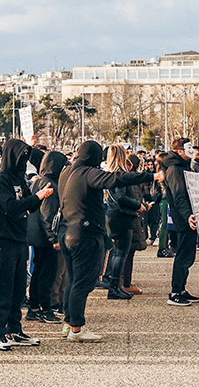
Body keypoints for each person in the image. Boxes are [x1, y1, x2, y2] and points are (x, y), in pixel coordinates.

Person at [59, 140, 150, 342]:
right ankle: (77, 328)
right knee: (83, 282)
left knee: (73, 280)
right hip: (85, 234)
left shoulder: (67, 172)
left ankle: (68, 322)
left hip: (67, 231)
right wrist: (150, 175)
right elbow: (116, 179)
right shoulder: (88, 173)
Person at [0, 139, 51, 351]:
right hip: (2, 238)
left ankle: (14, 328)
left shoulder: (19, 178)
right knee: (2, 287)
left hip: (19, 238)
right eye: (21, 156)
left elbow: (30, 205)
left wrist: (40, 197)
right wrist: (37, 197)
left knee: (17, 287)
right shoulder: (0, 180)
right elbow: (11, 207)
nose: (24, 161)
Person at [26, 150, 67, 322]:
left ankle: (34, 308)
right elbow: (48, 214)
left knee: (38, 272)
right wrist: (54, 238)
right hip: (45, 237)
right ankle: (44, 308)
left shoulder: (38, 181)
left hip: (35, 234)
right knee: (46, 274)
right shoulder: (50, 184)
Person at [159, 139, 199, 308]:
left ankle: (181, 288)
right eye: (188, 148)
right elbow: (179, 195)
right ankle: (175, 292)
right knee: (183, 254)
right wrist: (187, 215)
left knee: (188, 253)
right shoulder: (175, 168)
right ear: (180, 151)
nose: (192, 151)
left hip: (188, 215)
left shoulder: (183, 166)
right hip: (183, 218)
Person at [103, 145, 143, 300]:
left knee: (117, 253)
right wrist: (137, 205)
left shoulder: (108, 173)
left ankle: (114, 285)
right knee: (121, 253)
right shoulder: (121, 175)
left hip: (112, 215)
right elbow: (121, 197)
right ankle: (114, 287)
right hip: (122, 215)